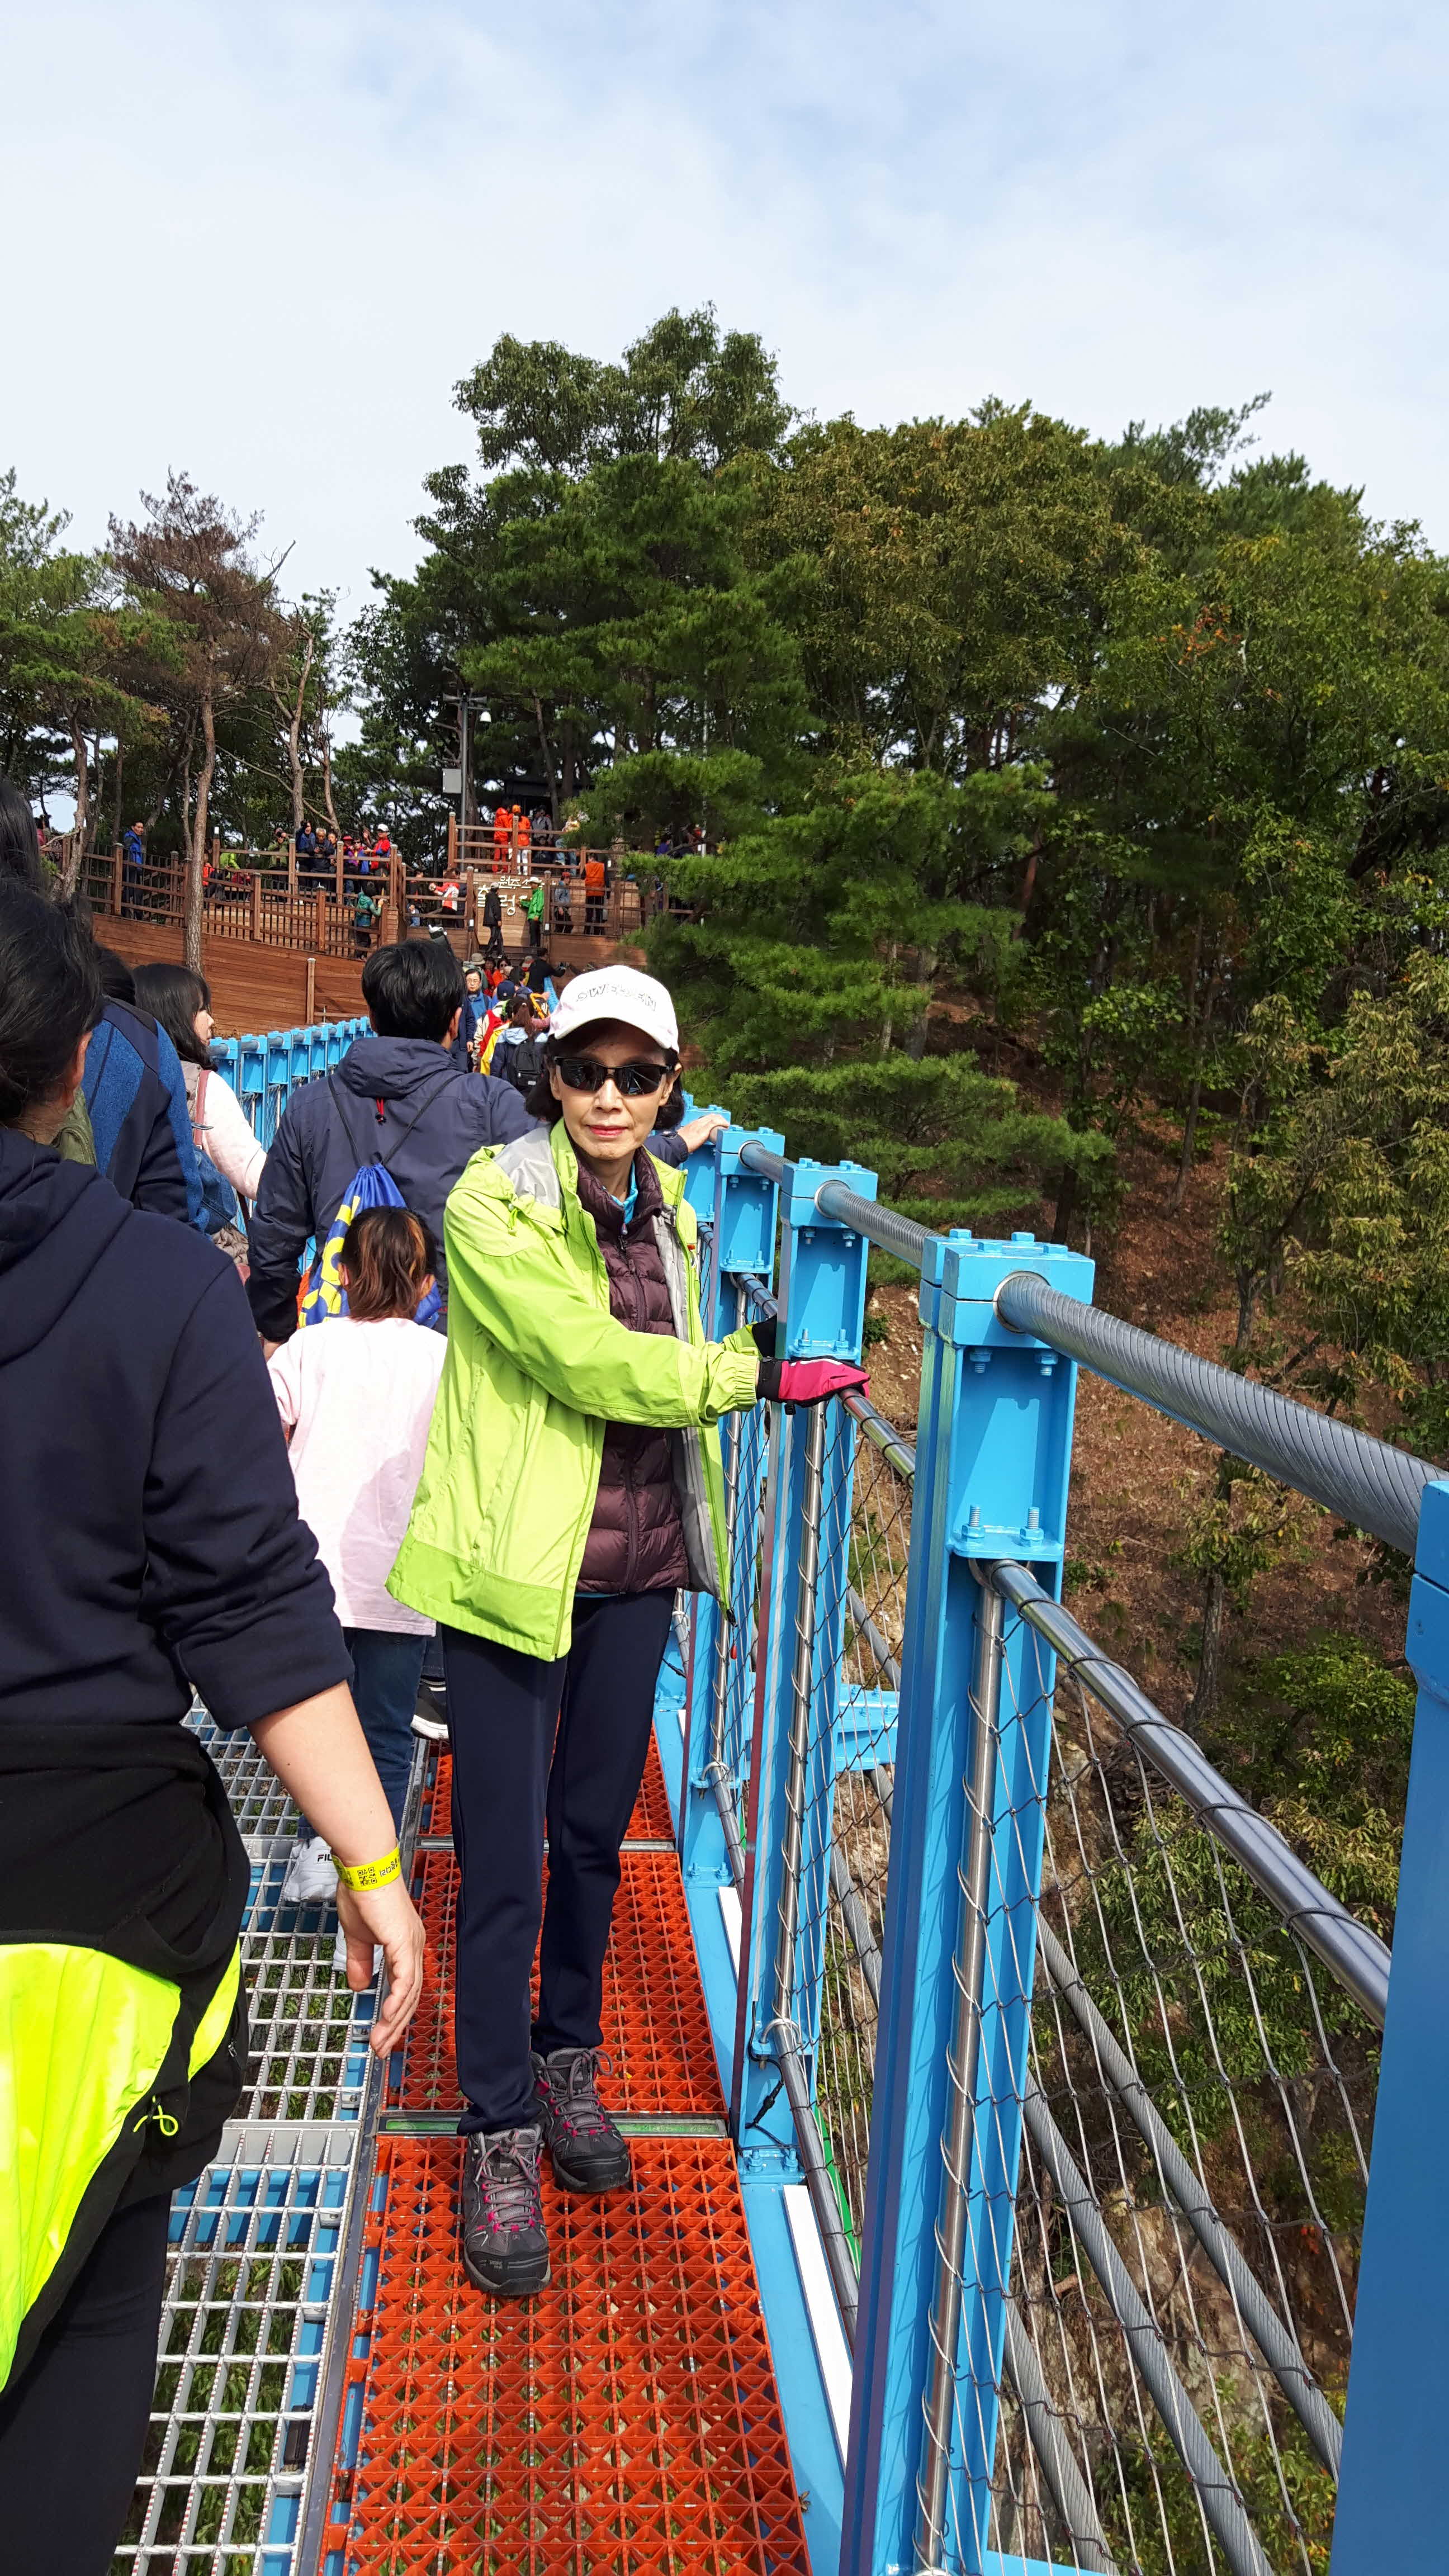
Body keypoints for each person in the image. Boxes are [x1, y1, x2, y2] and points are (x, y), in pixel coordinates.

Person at [0, 880, 425, 2576]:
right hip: (94, 1913)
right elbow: (250, 1604)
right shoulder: (158, 1286)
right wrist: (372, 1863)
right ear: (76, 1068)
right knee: (83, 2310)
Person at [388, 965, 868, 2298]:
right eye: (587, 1071)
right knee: (502, 1859)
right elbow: (579, 1355)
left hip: (637, 1568)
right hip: (510, 1573)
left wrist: (759, 1349)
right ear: (550, 1076)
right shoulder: (491, 1198)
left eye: (636, 1075)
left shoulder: (676, 1211)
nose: (609, 1096)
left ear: (669, 1085)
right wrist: (744, 1373)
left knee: (592, 1839)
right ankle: (496, 2127)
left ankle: (566, 2061)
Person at [268, 1206, 447, 1912]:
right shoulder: (443, 1360)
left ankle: (317, 1849)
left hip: (308, 1577)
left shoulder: (307, 1348)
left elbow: (261, 1433)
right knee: (386, 1730)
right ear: (427, 1285)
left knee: (317, 1726)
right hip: (402, 1581)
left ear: (340, 1275)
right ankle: (375, 1877)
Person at [246, 938, 534, 1349]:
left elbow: (275, 1234)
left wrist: (278, 1329)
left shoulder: (310, 1106)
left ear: (372, 1018)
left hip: (337, 1342)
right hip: (455, 1345)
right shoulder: (492, 1105)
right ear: (455, 1022)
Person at [131, 962, 267, 1211]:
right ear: (176, 1016)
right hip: (182, 1229)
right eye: (202, 1009)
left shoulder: (114, 1075)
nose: (211, 1021)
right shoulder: (204, 1087)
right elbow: (256, 1177)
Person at [490, 997, 548, 1097]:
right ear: (532, 1016)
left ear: (513, 1015)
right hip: (534, 1090)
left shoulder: (504, 1036)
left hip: (508, 1089)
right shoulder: (541, 1038)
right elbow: (547, 1067)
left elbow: (496, 1066)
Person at [121, 818, 145, 915]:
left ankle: (137, 913)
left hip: (137, 867)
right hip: (131, 866)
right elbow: (126, 848)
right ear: (133, 827)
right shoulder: (130, 836)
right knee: (130, 889)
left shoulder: (138, 839)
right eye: (138, 827)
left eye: (142, 828)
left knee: (137, 890)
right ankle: (123, 910)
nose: (141, 830)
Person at [525, 875, 547, 952]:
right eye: (531, 884)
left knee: (533, 931)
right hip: (533, 916)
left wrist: (537, 915)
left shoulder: (540, 893)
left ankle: (533, 947)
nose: (531, 885)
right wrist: (522, 903)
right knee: (536, 932)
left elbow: (540, 904)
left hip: (534, 916)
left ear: (536, 884)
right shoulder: (535, 894)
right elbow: (530, 905)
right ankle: (537, 948)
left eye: (532, 884)